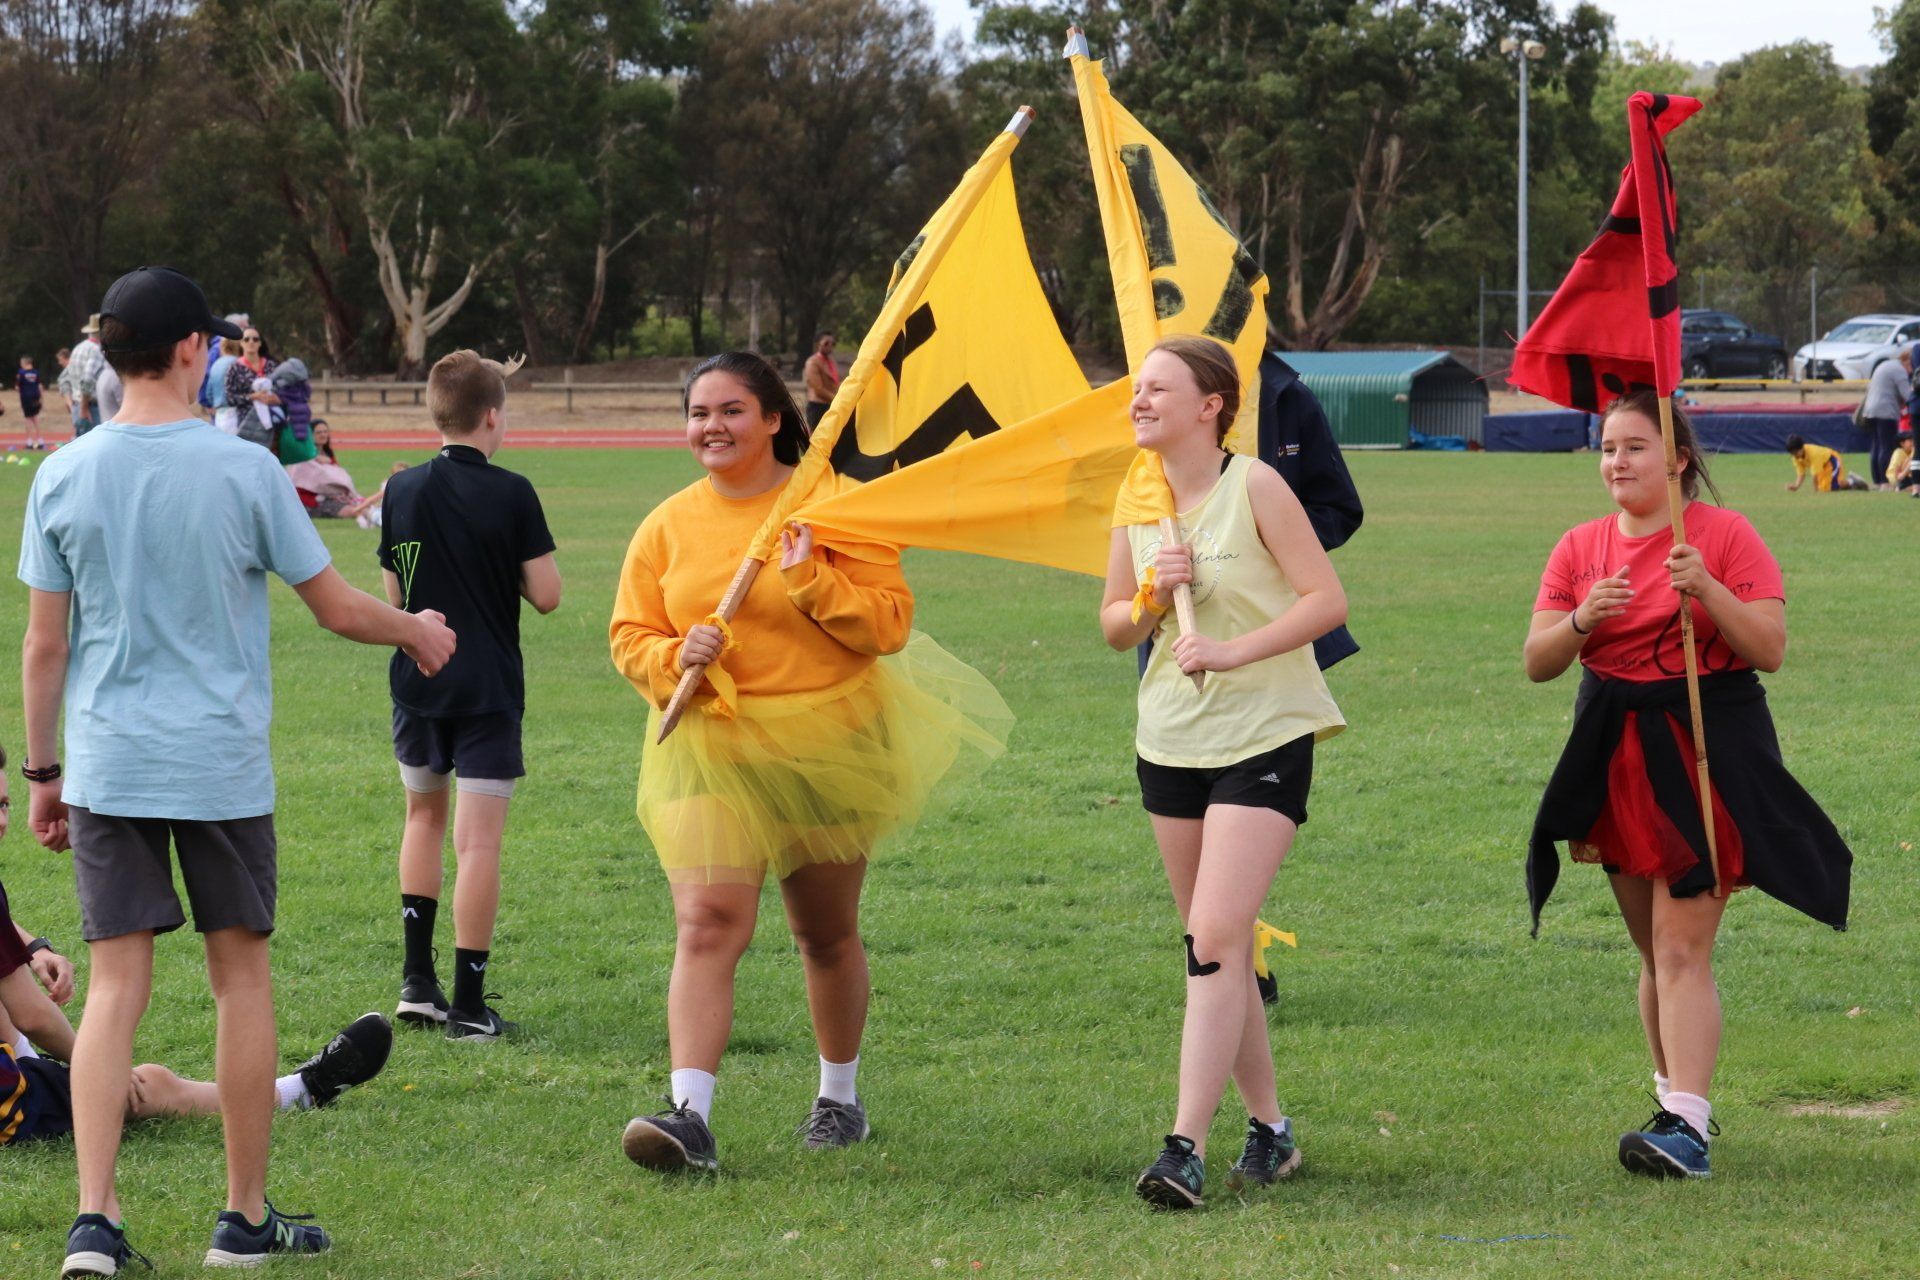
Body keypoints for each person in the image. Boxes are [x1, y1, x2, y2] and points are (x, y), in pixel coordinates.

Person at [17, 266, 456, 1274]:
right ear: (188, 350)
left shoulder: (64, 472)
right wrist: (419, 632)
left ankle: (95, 1220)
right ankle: (242, 1219)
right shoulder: (242, 469)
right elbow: (339, 605)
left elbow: (45, 646)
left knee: (118, 986)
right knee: (238, 978)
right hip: (215, 761)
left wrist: (44, 770)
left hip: (108, 761)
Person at [609, 351, 1008, 1174]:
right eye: (698, 414)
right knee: (707, 923)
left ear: (774, 419)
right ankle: (690, 1117)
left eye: (729, 411)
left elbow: (886, 626)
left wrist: (809, 581)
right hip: (712, 748)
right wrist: (675, 655)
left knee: (822, 934)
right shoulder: (665, 524)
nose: (710, 428)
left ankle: (839, 1100)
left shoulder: (836, 506)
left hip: (830, 744)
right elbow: (628, 635)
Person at [1525, 390, 1851, 1181]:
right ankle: (1672, 1105)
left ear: (1676, 459)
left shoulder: (1725, 534)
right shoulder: (1579, 546)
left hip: (1707, 750)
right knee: (1651, 950)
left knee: (1680, 947)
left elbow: (1769, 647)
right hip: (1613, 752)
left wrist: (1706, 588)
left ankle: (1688, 1129)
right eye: (1607, 447)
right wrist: (1582, 620)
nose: (1616, 463)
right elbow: (1537, 661)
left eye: (1635, 447)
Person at [1099, 336, 1346, 1209]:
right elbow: (1114, 629)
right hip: (1169, 741)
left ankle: (1182, 1148)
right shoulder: (1137, 500)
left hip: (1265, 732)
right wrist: (1153, 600)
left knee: (1211, 939)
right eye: (1136, 389)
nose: (1139, 400)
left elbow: (1326, 600)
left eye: (1157, 388)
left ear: (1210, 404)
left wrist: (1233, 649)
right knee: (1220, 948)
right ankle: (1271, 1130)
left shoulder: (1258, 486)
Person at [378, 350, 560, 1042]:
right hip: (486, 686)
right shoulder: (512, 491)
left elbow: (397, 598)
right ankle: (469, 1005)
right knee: (477, 844)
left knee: (422, 820)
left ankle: (416, 985)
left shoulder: (401, 490)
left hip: (417, 681)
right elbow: (545, 596)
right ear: (493, 416)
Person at [1859, 348, 1910, 491]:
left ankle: (1877, 481)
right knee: (1886, 447)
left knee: (1876, 446)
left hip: (1870, 410)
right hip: (1886, 411)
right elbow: (1907, 395)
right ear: (1907, 361)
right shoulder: (1899, 370)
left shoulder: (1885, 365)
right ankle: (1885, 482)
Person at [224, 325, 278, 447]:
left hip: (273, 422)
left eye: (255, 339)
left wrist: (277, 398)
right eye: (246, 339)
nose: (251, 342)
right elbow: (229, 398)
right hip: (247, 426)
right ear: (241, 343)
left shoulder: (271, 365)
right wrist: (253, 397)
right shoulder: (234, 368)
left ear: (260, 343)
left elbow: (283, 390)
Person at [1784, 434, 1867, 493]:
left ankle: (1852, 481)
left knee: (1831, 487)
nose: (1794, 456)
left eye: (1795, 452)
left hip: (1831, 460)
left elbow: (1815, 476)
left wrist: (1815, 491)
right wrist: (1796, 486)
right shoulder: (1795, 457)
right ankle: (1853, 485)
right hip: (1822, 466)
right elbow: (1801, 474)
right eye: (1792, 453)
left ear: (1801, 448)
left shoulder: (1813, 453)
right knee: (1824, 488)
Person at [802, 331, 839, 429]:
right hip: (817, 407)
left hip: (830, 405)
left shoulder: (831, 362)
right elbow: (818, 389)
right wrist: (837, 399)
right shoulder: (812, 362)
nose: (830, 346)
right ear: (818, 344)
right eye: (826, 343)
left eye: (833, 344)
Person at [15, 355, 48, 450]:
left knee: (28, 418)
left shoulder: (21, 373)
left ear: (24, 363)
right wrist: (42, 399)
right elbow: (40, 386)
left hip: (25, 397)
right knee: (35, 417)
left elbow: (17, 387)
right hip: (35, 397)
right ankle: (40, 440)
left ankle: (29, 441)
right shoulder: (36, 373)